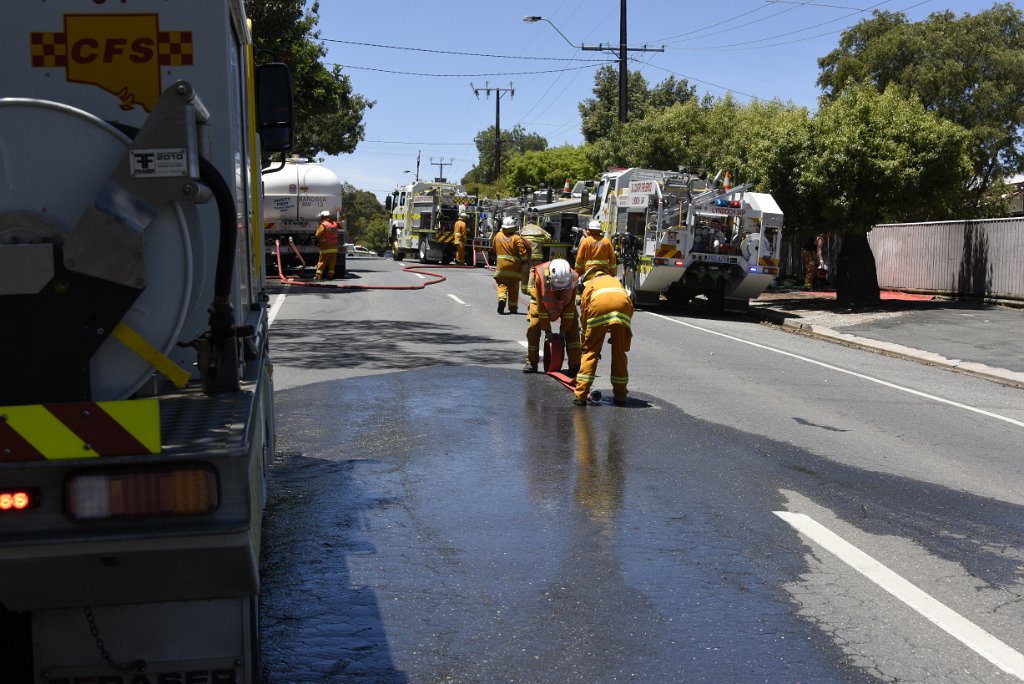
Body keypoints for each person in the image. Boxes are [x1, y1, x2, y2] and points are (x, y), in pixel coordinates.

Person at [574, 269, 633, 407]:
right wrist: (617, 334)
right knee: (619, 353)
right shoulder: (615, 281)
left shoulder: (590, 285)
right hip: (623, 309)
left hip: (599, 307)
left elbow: (584, 318)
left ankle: (581, 395)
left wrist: (586, 342)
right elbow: (628, 303)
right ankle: (620, 396)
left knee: (591, 352)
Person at [523, 259, 580, 374]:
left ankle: (575, 364)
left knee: (573, 330)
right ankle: (532, 362)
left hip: (565, 304)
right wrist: (547, 330)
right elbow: (541, 308)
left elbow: (569, 308)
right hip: (540, 302)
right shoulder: (540, 276)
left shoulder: (574, 278)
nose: (560, 289)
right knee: (533, 328)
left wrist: (564, 330)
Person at [493, 216, 529, 314]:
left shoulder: (498, 236)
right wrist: (525, 261)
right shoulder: (517, 238)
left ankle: (502, 299)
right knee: (514, 287)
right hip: (514, 269)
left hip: (501, 268)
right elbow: (523, 253)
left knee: (502, 285)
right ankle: (513, 308)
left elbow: (494, 248)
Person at [519, 216, 552, 294]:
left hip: (525, 255)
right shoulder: (539, 229)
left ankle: (523, 288)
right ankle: (530, 289)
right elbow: (549, 237)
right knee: (533, 271)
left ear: (528, 221)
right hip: (536, 255)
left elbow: (518, 239)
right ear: (536, 221)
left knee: (524, 270)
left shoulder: (523, 229)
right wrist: (541, 241)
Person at [314, 210, 340, 280]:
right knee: (332, 263)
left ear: (323, 217)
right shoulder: (335, 224)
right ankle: (331, 275)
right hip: (334, 247)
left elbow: (317, 235)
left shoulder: (324, 225)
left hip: (325, 247)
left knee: (322, 262)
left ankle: (318, 275)